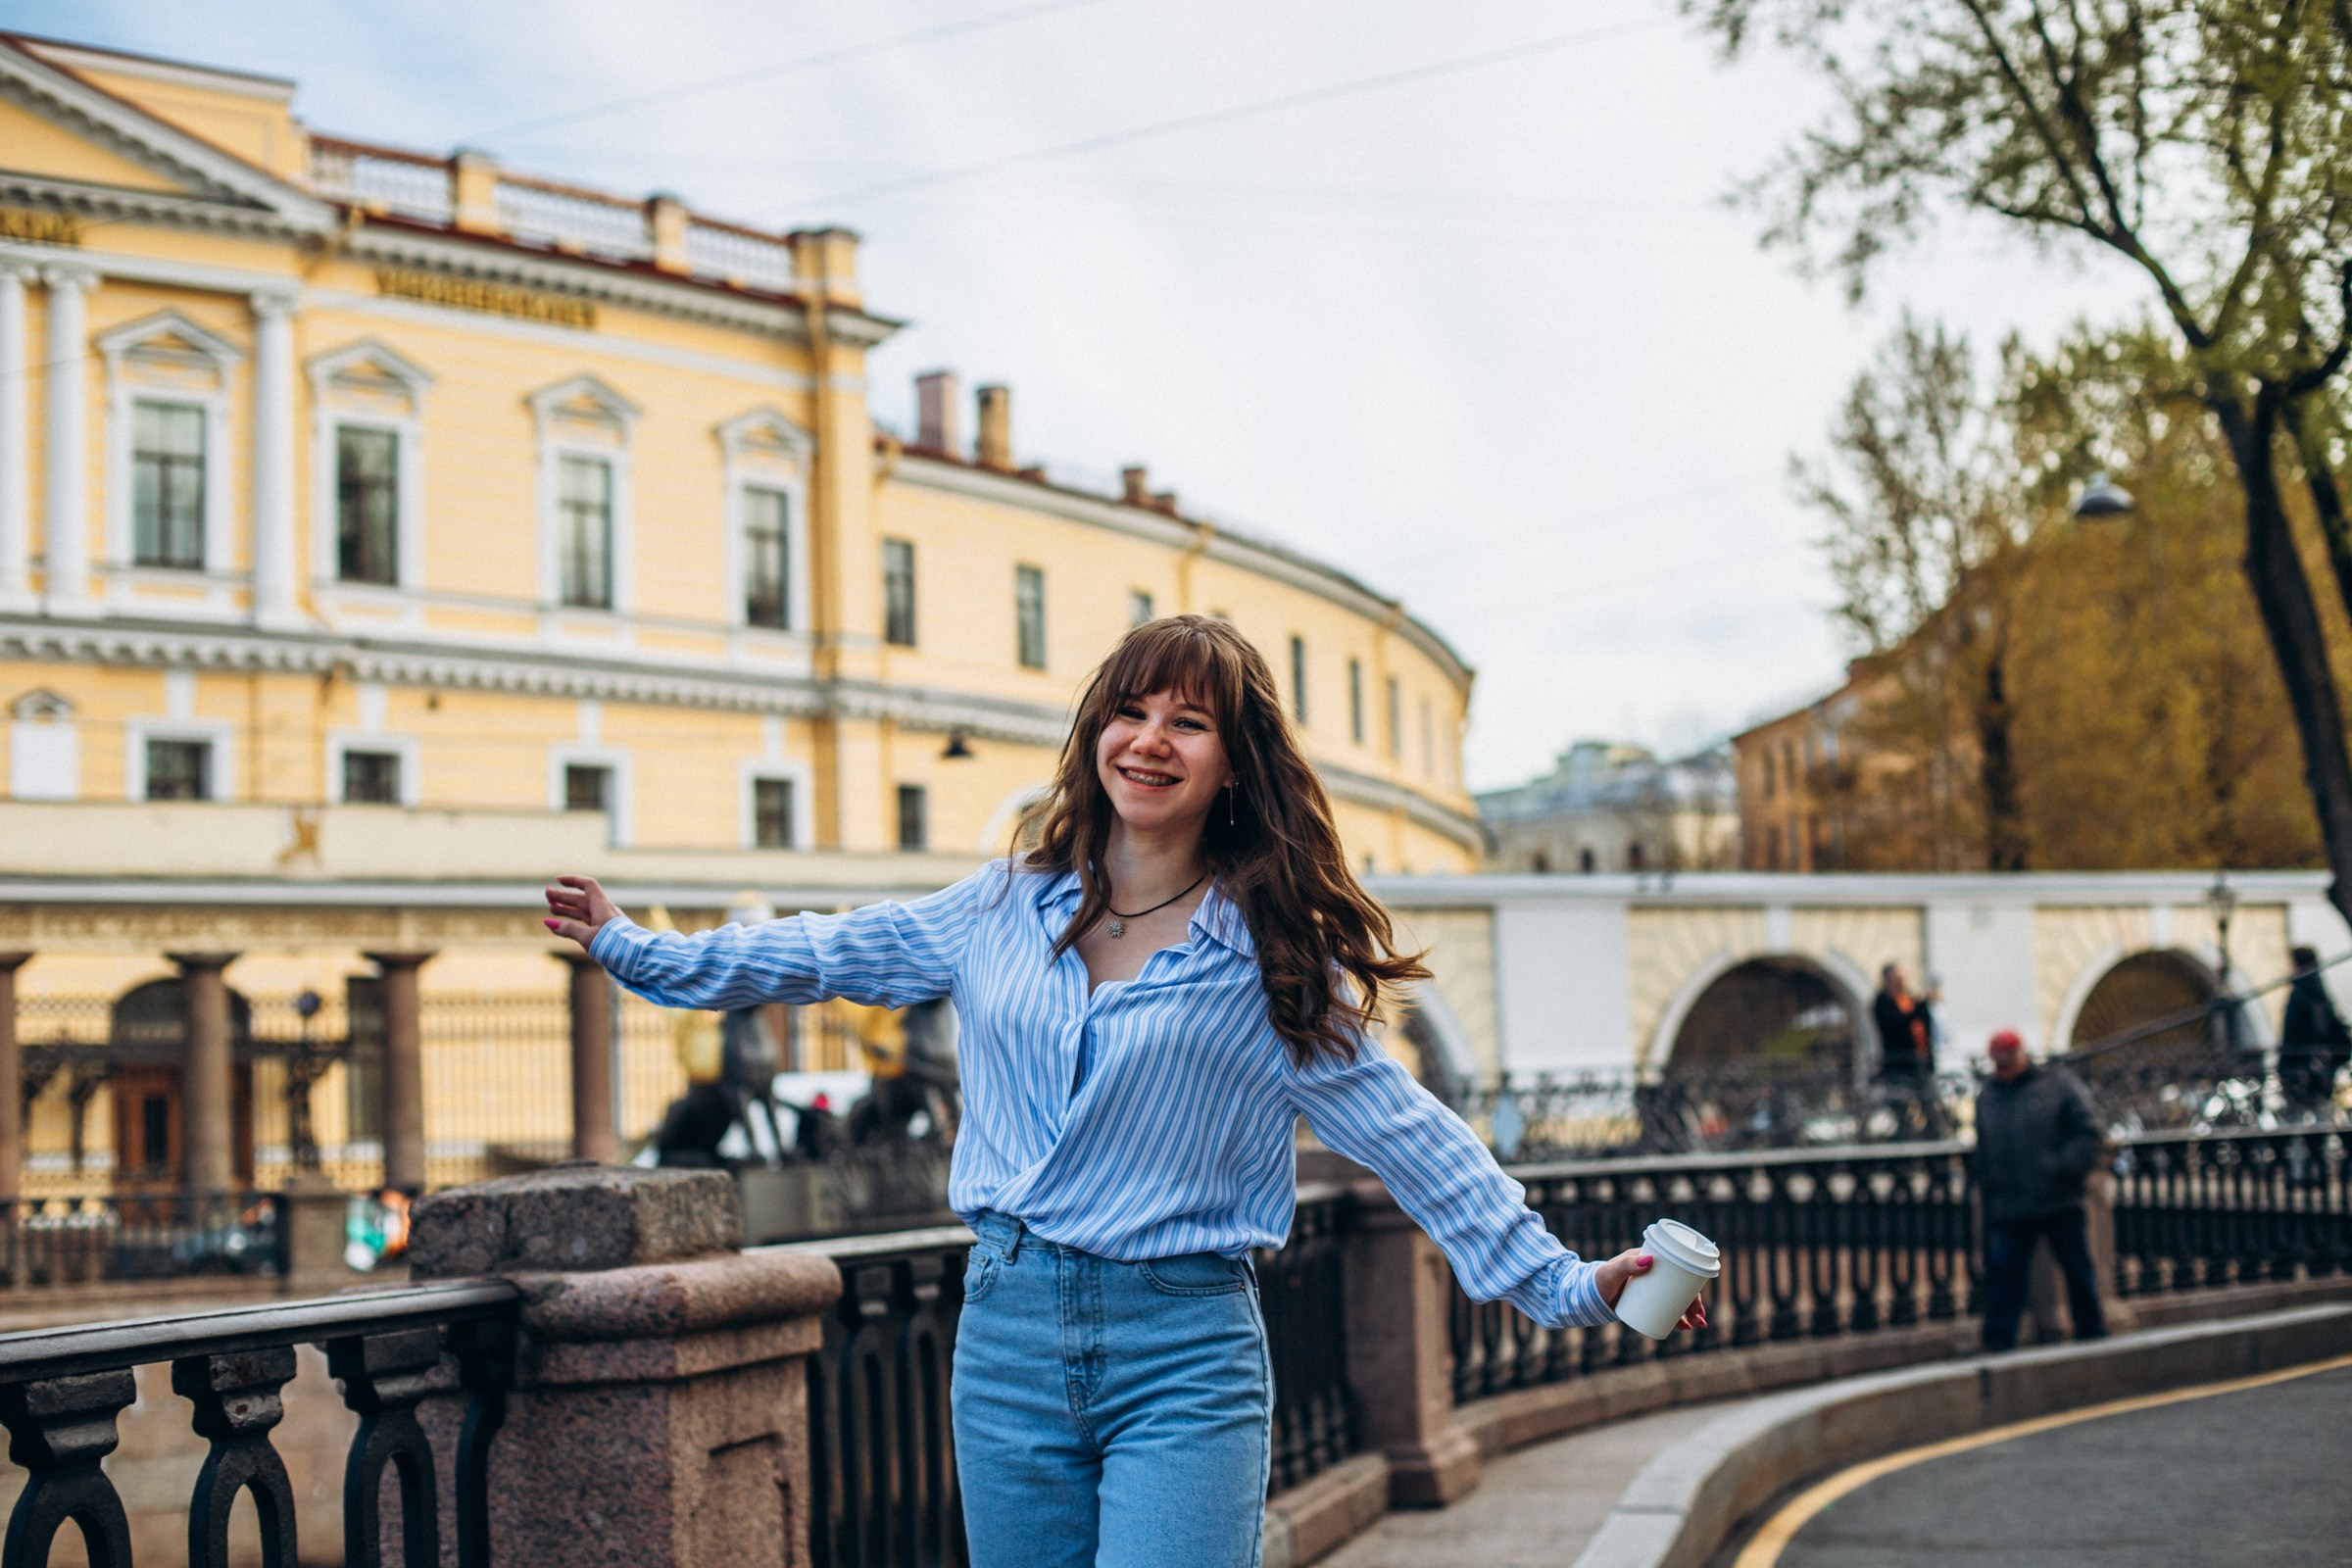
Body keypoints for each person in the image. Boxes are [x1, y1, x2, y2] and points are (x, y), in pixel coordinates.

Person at [545, 614, 1703, 1568]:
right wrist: (636, 949)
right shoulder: (1000, 906)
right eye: (1131, 711)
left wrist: (1573, 1282)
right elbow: (818, 951)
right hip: (1003, 1338)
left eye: (1188, 722)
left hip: (1185, 1350)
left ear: (1233, 763)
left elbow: (1418, 1140)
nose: (1150, 740)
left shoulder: (1272, 955)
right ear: (1096, 731)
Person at [1975, 1028, 2107, 1352]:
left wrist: (2062, 1167)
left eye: (2008, 1062)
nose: (2003, 1070)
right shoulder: (1988, 1096)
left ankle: (2092, 1333)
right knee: (2005, 1276)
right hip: (2011, 1204)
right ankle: (1998, 1341)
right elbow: (1984, 1150)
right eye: (1998, 1064)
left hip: (2059, 1198)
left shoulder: (2058, 1086)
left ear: (2023, 1055)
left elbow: (2091, 1133)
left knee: (2078, 1270)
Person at [1872, 962, 1944, 1137]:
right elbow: (1896, 1023)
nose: (1902, 982)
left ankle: (1935, 1137)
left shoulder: (1909, 1000)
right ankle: (1905, 1137)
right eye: (1897, 978)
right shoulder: (1883, 1002)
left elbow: (1924, 1025)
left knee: (1930, 1104)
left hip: (1920, 1060)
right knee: (1901, 1107)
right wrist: (1922, 1004)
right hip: (1899, 1062)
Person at [2279, 947, 2350, 1116]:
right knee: (2320, 1118)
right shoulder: (2320, 996)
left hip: (2302, 1073)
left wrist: (2285, 1069)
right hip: (2321, 1074)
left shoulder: (2299, 996)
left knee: (2300, 1123)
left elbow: (2292, 1036)